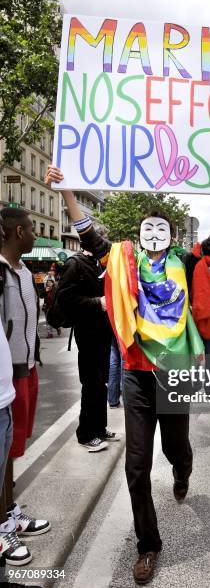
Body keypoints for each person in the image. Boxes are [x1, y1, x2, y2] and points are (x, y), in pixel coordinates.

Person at [46, 164, 210, 585]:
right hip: (136, 375)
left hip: (175, 374)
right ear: (140, 234)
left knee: (176, 447)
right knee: (136, 466)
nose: (154, 236)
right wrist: (68, 192)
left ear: (173, 235)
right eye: (148, 229)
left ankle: (182, 470)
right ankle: (148, 546)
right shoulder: (123, 258)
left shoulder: (184, 258)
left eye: (161, 229)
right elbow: (88, 232)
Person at [0, 207, 50, 568]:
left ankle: (10, 511)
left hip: (26, 369)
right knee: (2, 454)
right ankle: (3, 525)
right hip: (8, 374)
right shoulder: (1, 273)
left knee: (13, 449)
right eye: (32, 229)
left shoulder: (21, 271)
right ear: (18, 232)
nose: (35, 234)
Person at [56, 225, 118, 452]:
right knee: (90, 384)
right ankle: (86, 434)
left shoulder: (99, 264)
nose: (105, 244)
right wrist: (97, 303)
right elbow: (65, 298)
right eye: (102, 240)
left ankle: (100, 428)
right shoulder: (75, 264)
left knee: (100, 383)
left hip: (103, 331)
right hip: (87, 332)